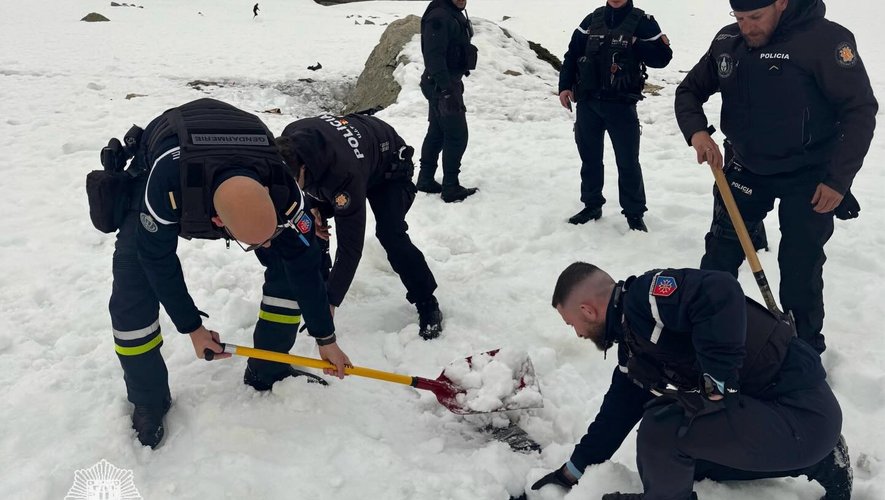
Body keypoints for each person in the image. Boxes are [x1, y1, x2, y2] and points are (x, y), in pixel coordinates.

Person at [98, 98, 352, 449]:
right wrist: (193, 328)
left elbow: (306, 265)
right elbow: (157, 261)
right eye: (255, 243)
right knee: (132, 292)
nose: (266, 245)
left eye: (270, 235)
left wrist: (326, 339)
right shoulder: (165, 184)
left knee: (288, 263)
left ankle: (269, 367)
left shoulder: (282, 185)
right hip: (169, 157)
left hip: (242, 152)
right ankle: (148, 398)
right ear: (217, 223)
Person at [530, 262, 851, 500]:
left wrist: (718, 378)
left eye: (571, 323)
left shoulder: (646, 298)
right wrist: (570, 472)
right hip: (782, 424)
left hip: (801, 412)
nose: (577, 333)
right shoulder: (634, 346)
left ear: (587, 310)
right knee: (681, 463)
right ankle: (820, 462)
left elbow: (721, 291)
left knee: (665, 426)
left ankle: (822, 458)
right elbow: (614, 417)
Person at [674, 0, 877, 352]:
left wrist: (838, 180)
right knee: (720, 254)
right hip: (746, 168)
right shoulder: (728, 42)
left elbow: (859, 110)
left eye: (755, 17)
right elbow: (688, 91)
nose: (746, 27)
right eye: (739, 18)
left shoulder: (824, 40)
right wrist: (697, 132)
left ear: (781, 2)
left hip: (810, 177)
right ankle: (707, 333)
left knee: (800, 266)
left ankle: (804, 348)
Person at [276, 113, 445, 340]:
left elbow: (351, 247)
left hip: (388, 167)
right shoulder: (288, 140)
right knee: (312, 219)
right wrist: (313, 208)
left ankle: (426, 300)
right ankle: (321, 284)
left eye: (294, 184)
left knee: (390, 233)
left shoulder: (343, 175)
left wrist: (331, 301)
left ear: (304, 169)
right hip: (352, 154)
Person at [559, 0, 672, 231]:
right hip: (588, 102)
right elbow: (572, 54)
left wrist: (635, 44)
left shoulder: (643, 22)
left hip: (621, 105)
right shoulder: (591, 20)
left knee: (628, 162)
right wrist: (564, 86)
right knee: (589, 158)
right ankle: (592, 205)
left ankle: (634, 214)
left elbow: (663, 58)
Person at [416, 0, 479, 203]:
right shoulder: (440, 16)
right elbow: (433, 56)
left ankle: (425, 179)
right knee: (457, 135)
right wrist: (446, 90)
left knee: (437, 132)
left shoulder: (451, 12)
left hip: (443, 83)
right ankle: (451, 187)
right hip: (441, 85)